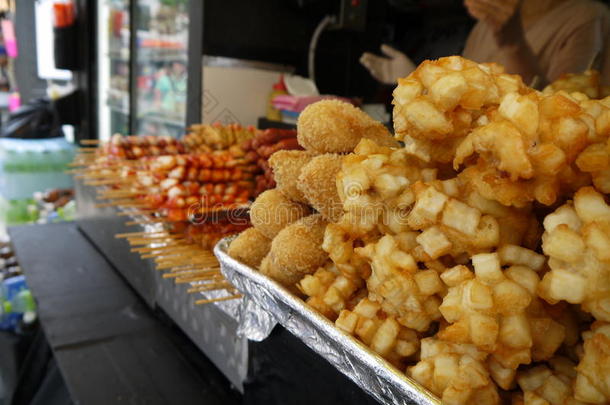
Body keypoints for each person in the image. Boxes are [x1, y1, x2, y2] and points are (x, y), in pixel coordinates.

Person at [360, 0, 610, 87]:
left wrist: (513, 44)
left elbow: (562, 117)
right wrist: (417, 78)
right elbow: (468, 104)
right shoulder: (484, 26)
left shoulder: (587, 16)